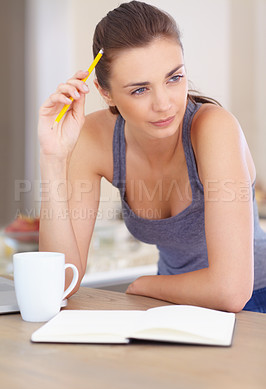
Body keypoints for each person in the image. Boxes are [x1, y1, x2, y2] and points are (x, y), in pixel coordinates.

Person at [38, 0, 266, 313]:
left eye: (174, 78)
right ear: (106, 93)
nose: (164, 104)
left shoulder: (215, 128)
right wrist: (53, 158)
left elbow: (230, 292)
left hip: (254, 302)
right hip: (171, 303)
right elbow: (60, 281)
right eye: (139, 90)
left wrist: (144, 285)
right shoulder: (93, 137)